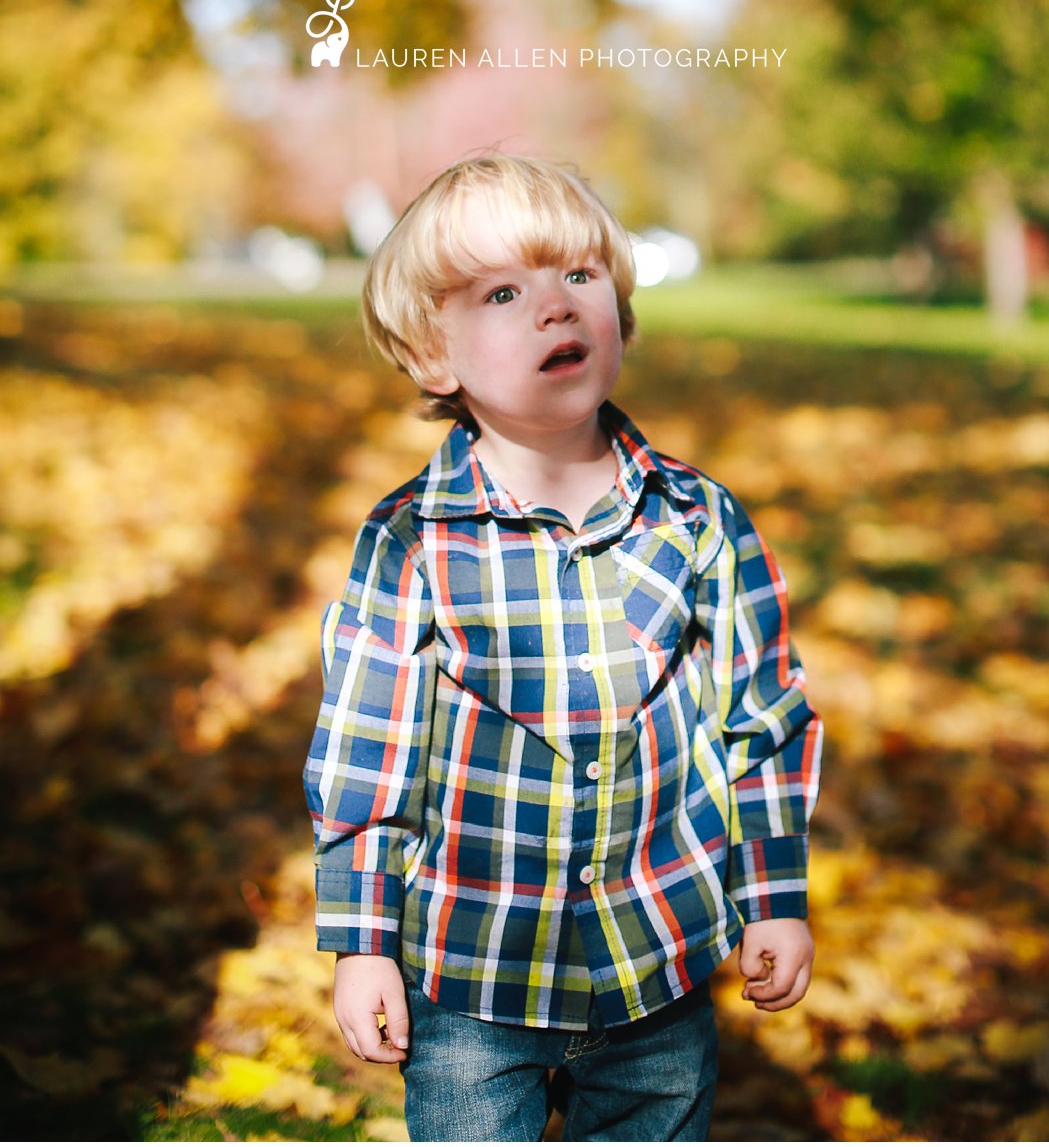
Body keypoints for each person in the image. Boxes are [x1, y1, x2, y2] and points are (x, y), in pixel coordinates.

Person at [303, 152, 824, 1142]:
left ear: (620, 313)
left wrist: (773, 893)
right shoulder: (413, 538)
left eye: (580, 275)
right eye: (504, 289)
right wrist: (362, 941)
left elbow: (762, 717)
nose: (555, 304)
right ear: (432, 357)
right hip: (470, 978)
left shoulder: (698, 518)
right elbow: (365, 753)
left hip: (654, 966)